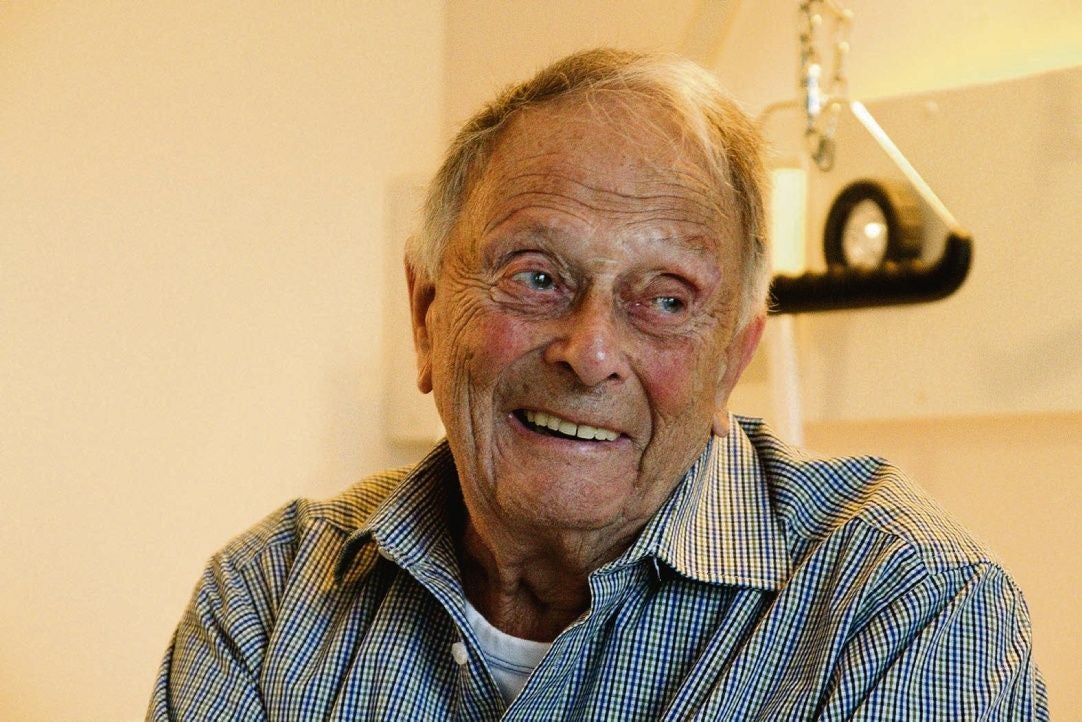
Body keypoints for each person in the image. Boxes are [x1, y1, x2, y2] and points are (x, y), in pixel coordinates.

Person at [148, 48, 1046, 720]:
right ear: (425, 315)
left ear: (732, 362)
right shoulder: (269, 597)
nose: (590, 351)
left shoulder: (906, 609)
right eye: (537, 276)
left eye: (666, 299)